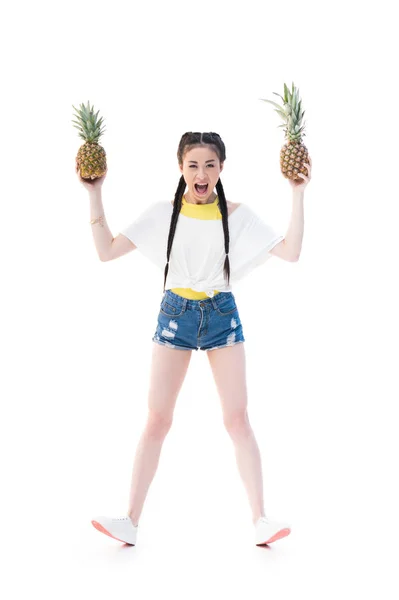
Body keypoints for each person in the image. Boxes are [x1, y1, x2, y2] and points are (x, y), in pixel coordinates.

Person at [76, 131, 311, 546]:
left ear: (221, 169)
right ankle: (129, 520)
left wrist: (298, 192)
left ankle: (261, 520)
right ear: (181, 168)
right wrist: (95, 192)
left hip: (221, 314)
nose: (201, 174)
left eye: (210, 165)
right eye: (193, 165)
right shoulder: (162, 213)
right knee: (157, 419)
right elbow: (106, 251)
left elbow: (291, 252)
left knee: (237, 419)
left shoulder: (237, 215)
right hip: (175, 315)